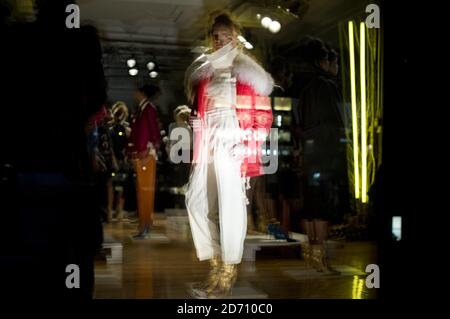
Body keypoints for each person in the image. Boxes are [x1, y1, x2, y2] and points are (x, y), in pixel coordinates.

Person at [184, 12, 274, 298]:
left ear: (236, 37)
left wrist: (247, 144)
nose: (220, 40)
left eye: (226, 35)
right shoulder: (206, 71)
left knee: (231, 204)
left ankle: (227, 270)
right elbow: (201, 109)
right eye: (216, 36)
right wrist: (196, 120)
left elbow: (263, 117)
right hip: (208, 136)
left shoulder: (249, 73)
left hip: (233, 134)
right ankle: (215, 262)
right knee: (195, 200)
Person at [129, 84, 161, 239]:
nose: (134, 93)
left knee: (146, 191)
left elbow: (154, 131)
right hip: (140, 153)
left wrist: (149, 150)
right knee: (142, 191)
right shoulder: (142, 109)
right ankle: (143, 224)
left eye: (137, 91)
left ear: (142, 93)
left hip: (146, 154)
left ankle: (146, 225)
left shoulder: (149, 109)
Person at [109, 101, 132, 221]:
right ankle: (111, 210)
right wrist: (114, 160)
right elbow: (110, 146)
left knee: (122, 186)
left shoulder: (127, 128)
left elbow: (129, 144)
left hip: (124, 160)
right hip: (113, 161)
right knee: (112, 185)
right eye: (118, 113)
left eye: (122, 114)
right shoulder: (110, 128)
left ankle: (120, 210)